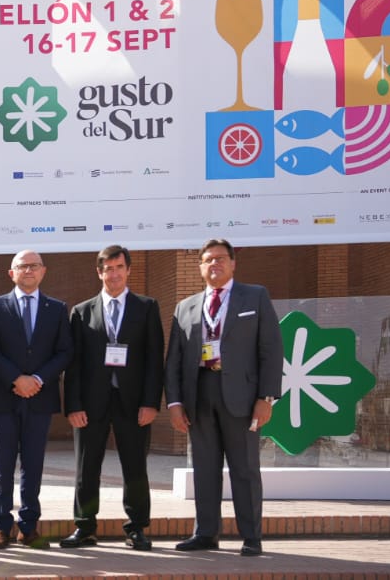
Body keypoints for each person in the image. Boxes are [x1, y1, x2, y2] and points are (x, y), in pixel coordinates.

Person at [165, 238, 282, 557]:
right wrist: (174, 403)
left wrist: (266, 397)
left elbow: (271, 349)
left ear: (233, 264)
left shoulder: (255, 296)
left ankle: (251, 536)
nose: (214, 264)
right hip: (199, 395)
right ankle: (205, 533)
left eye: (220, 258)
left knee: (244, 468)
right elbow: (174, 360)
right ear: (200, 267)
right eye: (207, 260)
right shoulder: (185, 307)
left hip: (241, 397)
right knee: (204, 469)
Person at [62, 244, 163, 551]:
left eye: (120, 267)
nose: (114, 274)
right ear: (99, 272)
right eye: (108, 269)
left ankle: (136, 528)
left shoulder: (147, 307)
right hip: (90, 404)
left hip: (133, 403)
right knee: (86, 467)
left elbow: (154, 359)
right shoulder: (82, 312)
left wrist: (151, 402)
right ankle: (84, 527)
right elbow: (73, 364)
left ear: (128, 270)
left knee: (135, 466)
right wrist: (73, 405)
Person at [0, 249, 72, 550]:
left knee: (33, 463)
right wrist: (17, 379)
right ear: (11, 273)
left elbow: (65, 351)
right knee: (3, 465)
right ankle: (1, 526)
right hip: (2, 396)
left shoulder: (57, 309)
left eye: (34, 266)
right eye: (22, 266)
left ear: (43, 271)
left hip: (40, 397)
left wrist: (38, 379)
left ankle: (28, 526)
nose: (28, 270)